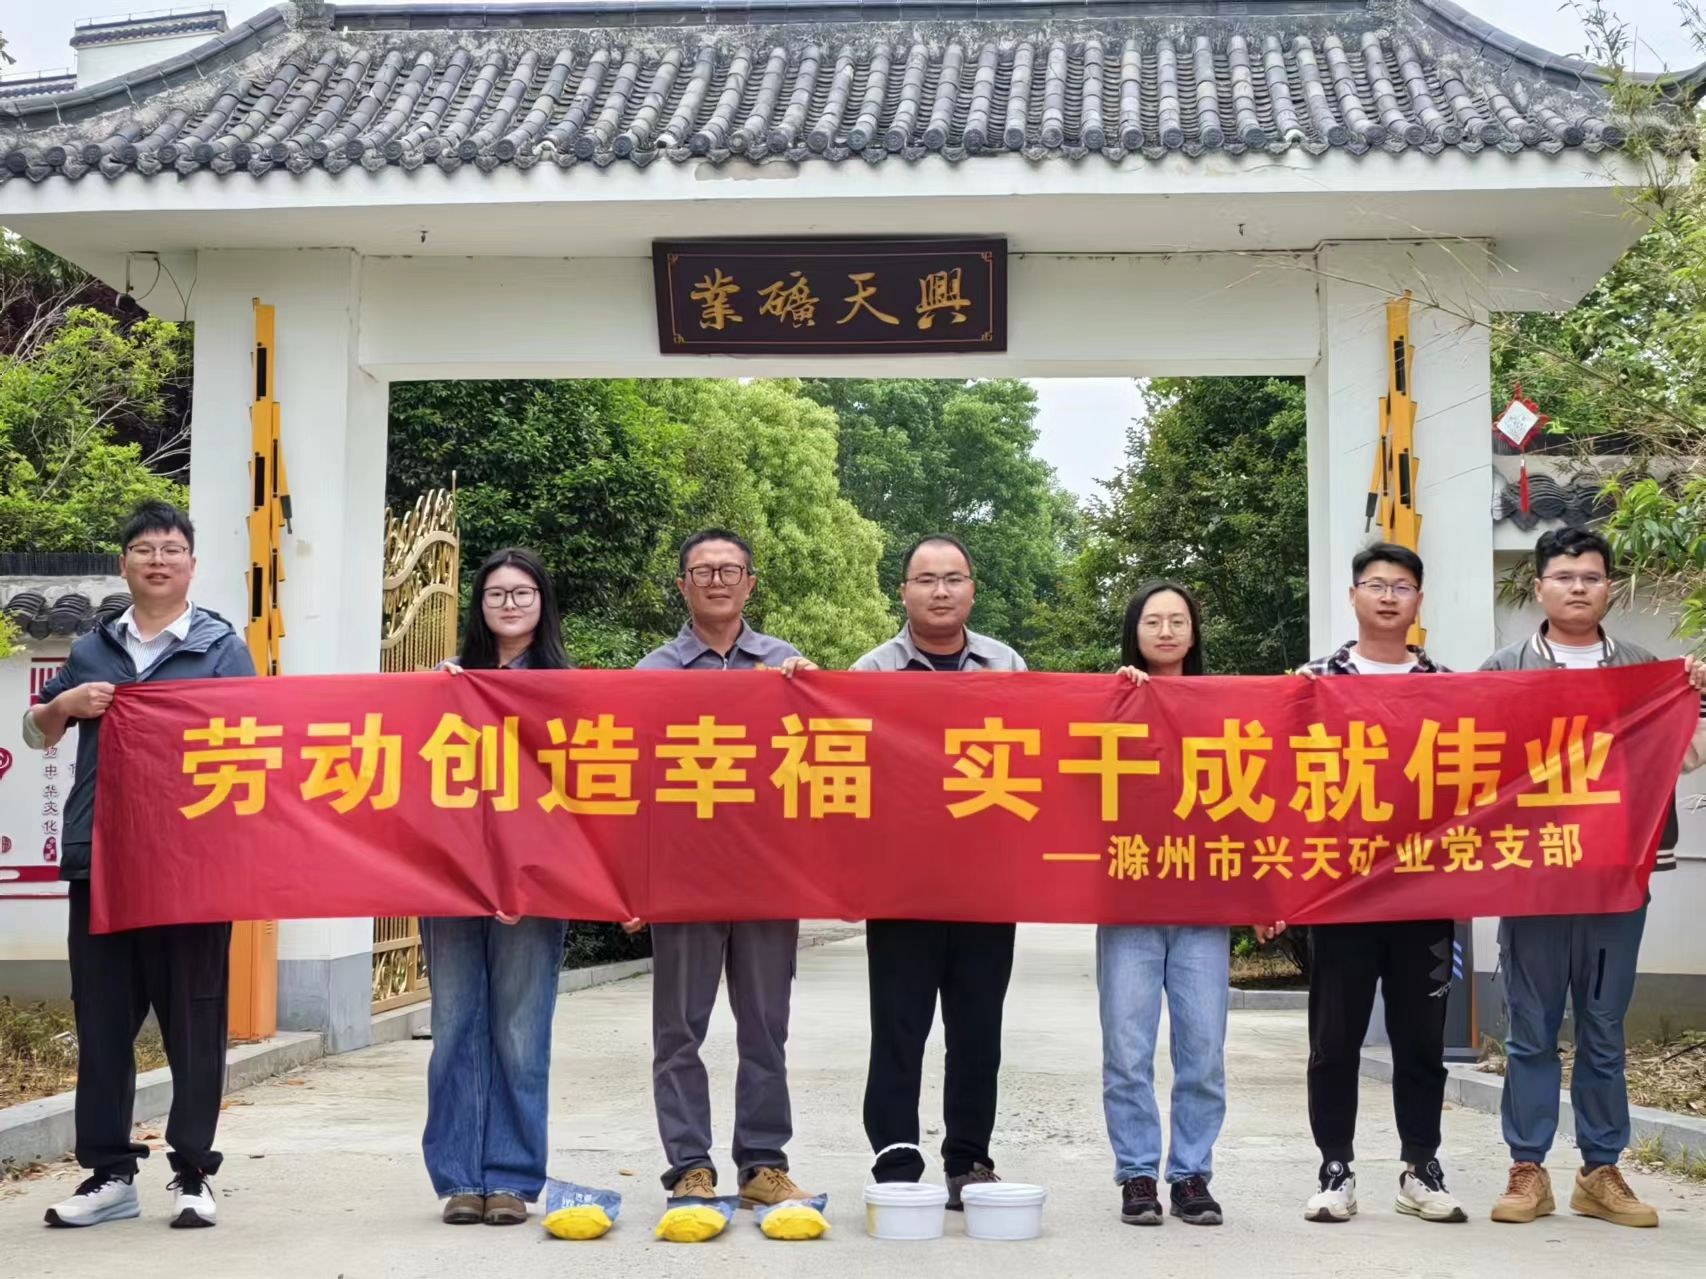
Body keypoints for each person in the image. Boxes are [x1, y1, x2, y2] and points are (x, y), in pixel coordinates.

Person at [26, 502, 256, 1229]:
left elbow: (259, 744)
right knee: (101, 1021)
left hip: (192, 866)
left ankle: (194, 1172)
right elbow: (36, 732)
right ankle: (109, 1174)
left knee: (194, 1020)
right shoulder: (91, 648)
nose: (158, 560)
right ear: (123, 563)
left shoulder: (223, 649)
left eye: (171, 549)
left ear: (192, 564)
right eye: (145, 549)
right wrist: (65, 702)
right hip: (102, 862)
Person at [1481, 527, 1706, 1229]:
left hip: (1616, 874)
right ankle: (1527, 1167)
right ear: (1539, 586)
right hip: (1534, 872)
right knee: (1531, 1027)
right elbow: (1469, 759)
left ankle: (1600, 1169)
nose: (1577, 587)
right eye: (1564, 575)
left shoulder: (1644, 669)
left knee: (1604, 1026)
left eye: (1591, 576)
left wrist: (1694, 695)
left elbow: (1684, 756)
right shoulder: (1505, 668)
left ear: (1609, 586)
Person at [1267, 542, 1468, 1225]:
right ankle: (1336, 1169)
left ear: (1419, 600)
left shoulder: (1449, 686)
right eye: (1376, 584)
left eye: (1402, 586)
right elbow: (1277, 780)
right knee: (1335, 1041)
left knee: (1422, 1043)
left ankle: (1421, 1167)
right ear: (1353, 596)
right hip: (1341, 893)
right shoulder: (1313, 681)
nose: (1388, 596)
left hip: (1424, 894)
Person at [630, 529, 818, 1209]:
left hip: (767, 876)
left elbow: (825, 764)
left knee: (766, 1027)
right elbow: (631, 785)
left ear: (750, 583)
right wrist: (633, 881)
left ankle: (763, 1164)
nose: (716, 580)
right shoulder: (651, 675)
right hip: (683, 878)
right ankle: (689, 1165)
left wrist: (814, 693)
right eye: (703, 571)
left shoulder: (787, 666)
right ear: (683, 585)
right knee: (679, 1030)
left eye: (729, 570)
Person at [851, 534, 1026, 1208]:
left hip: (987, 883)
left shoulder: (1007, 665)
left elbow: (1038, 756)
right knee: (899, 1026)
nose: (941, 590)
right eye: (926, 579)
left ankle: (969, 1159)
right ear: (903, 592)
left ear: (972, 590)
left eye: (953, 578)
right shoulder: (871, 672)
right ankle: (895, 1154)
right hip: (901, 884)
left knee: (977, 1029)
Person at [422, 547, 574, 1226]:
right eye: (495, 594)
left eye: (522, 593)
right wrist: (427, 696)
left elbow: (583, 797)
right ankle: (460, 1177)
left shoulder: (568, 689)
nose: (508, 604)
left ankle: (510, 1177)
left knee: (520, 1030)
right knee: (456, 1026)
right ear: (478, 605)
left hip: (532, 887)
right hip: (451, 879)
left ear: (542, 603)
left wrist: (535, 876)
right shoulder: (448, 682)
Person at [1098, 582, 1227, 1228]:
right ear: (1135, 631)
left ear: (1194, 633)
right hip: (1129, 900)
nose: (1167, 631)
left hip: (1204, 903)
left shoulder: (1224, 708)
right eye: (1154, 621)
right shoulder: (1111, 700)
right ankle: (1138, 1173)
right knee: (1127, 1049)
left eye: (1179, 620)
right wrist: (1116, 702)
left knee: (1202, 1050)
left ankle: (1192, 1174)